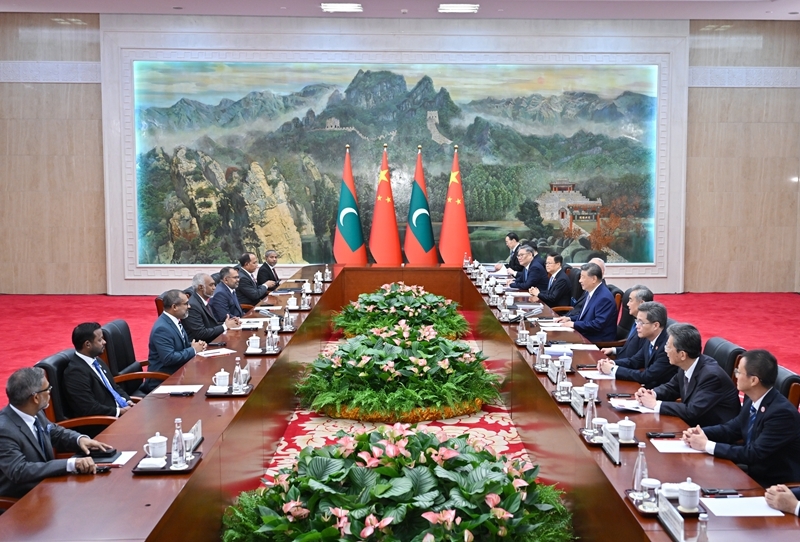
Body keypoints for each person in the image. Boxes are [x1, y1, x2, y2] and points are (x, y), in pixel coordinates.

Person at [683, 349, 800, 488]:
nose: (735, 375)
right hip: (752, 474)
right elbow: (731, 429)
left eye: (739, 372)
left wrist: (706, 445)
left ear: (754, 380)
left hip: (774, 486)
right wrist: (700, 433)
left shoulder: (782, 414)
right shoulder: (752, 399)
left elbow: (753, 453)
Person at [0, 367, 112, 498]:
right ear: (36, 398)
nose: (50, 392)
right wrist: (70, 464)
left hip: (49, 487)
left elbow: (54, 432)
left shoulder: (33, 412)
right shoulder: (4, 430)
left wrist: (79, 439)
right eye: (47, 389)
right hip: (24, 499)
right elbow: (19, 471)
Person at [635, 323, 740, 427]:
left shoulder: (711, 376)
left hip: (712, 430)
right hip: (693, 424)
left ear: (682, 355)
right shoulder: (687, 364)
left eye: (668, 347)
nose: (665, 351)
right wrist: (651, 394)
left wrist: (655, 404)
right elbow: (671, 388)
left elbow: (692, 411)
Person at [64, 322, 134, 422]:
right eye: (100, 340)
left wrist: (127, 400)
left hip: (119, 414)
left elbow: (113, 387)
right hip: (104, 422)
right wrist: (119, 411)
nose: (104, 342)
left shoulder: (97, 360)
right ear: (87, 344)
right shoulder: (75, 373)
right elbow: (89, 408)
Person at [597, 302, 677, 388]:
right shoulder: (649, 337)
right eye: (637, 321)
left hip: (661, 391)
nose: (637, 326)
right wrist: (612, 363)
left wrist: (612, 369)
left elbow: (647, 376)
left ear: (655, 325)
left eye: (641, 322)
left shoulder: (667, 347)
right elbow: (635, 361)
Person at [141, 289, 206, 394]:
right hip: (162, 380)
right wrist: (193, 350)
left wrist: (194, 345)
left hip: (178, 373)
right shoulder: (162, 329)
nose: (189, 306)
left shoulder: (174, 321)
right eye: (186, 304)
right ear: (174, 307)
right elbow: (169, 358)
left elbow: (179, 345)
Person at [555, 262, 616, 343]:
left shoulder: (604, 298)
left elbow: (597, 325)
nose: (580, 280)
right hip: (585, 334)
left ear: (594, 279)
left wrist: (573, 324)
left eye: (583, 277)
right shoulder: (590, 292)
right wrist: (569, 318)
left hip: (596, 340)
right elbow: (584, 316)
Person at [184, 273, 239, 342]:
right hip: (202, 344)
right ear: (201, 287)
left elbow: (211, 325)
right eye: (211, 285)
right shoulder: (192, 306)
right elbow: (201, 333)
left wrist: (229, 322)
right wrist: (225, 326)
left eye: (214, 284)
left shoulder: (202, 300)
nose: (214, 288)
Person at [601, 285, 653, 359]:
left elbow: (636, 358)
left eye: (631, 300)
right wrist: (613, 350)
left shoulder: (646, 328)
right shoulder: (637, 322)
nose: (627, 304)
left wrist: (613, 364)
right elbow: (630, 349)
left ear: (641, 303)